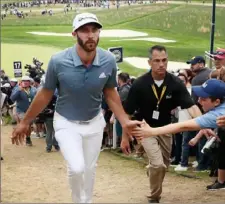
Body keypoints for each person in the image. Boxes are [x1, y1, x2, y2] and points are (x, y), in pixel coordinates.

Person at [11, 12, 141, 203]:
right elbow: (45, 93)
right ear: (75, 34)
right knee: (77, 167)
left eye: (95, 30)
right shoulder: (58, 61)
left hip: (94, 121)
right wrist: (25, 122)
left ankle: (86, 201)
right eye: (85, 30)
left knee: (89, 168)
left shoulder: (108, 60)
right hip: (66, 121)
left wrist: (124, 121)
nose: (91, 35)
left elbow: (110, 93)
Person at [121, 45, 202, 203]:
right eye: (157, 61)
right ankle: (154, 197)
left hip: (165, 128)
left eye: (164, 60)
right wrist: (125, 137)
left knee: (163, 166)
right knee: (158, 165)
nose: (161, 64)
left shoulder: (175, 83)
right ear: (149, 62)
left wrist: (203, 124)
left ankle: (152, 171)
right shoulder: (139, 84)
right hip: (144, 128)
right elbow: (127, 113)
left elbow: (191, 106)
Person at [131, 78, 225, 190]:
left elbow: (183, 126)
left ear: (217, 102)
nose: (199, 101)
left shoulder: (217, 114)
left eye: (204, 99)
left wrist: (152, 131)